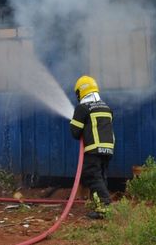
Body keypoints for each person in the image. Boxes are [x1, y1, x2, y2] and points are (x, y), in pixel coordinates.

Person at [69, 75, 115, 219]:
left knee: (92, 176)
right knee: (101, 177)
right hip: (108, 149)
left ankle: (105, 206)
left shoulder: (82, 108)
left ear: (81, 91)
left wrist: (74, 120)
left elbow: (75, 132)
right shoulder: (106, 107)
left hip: (93, 149)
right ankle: (100, 208)